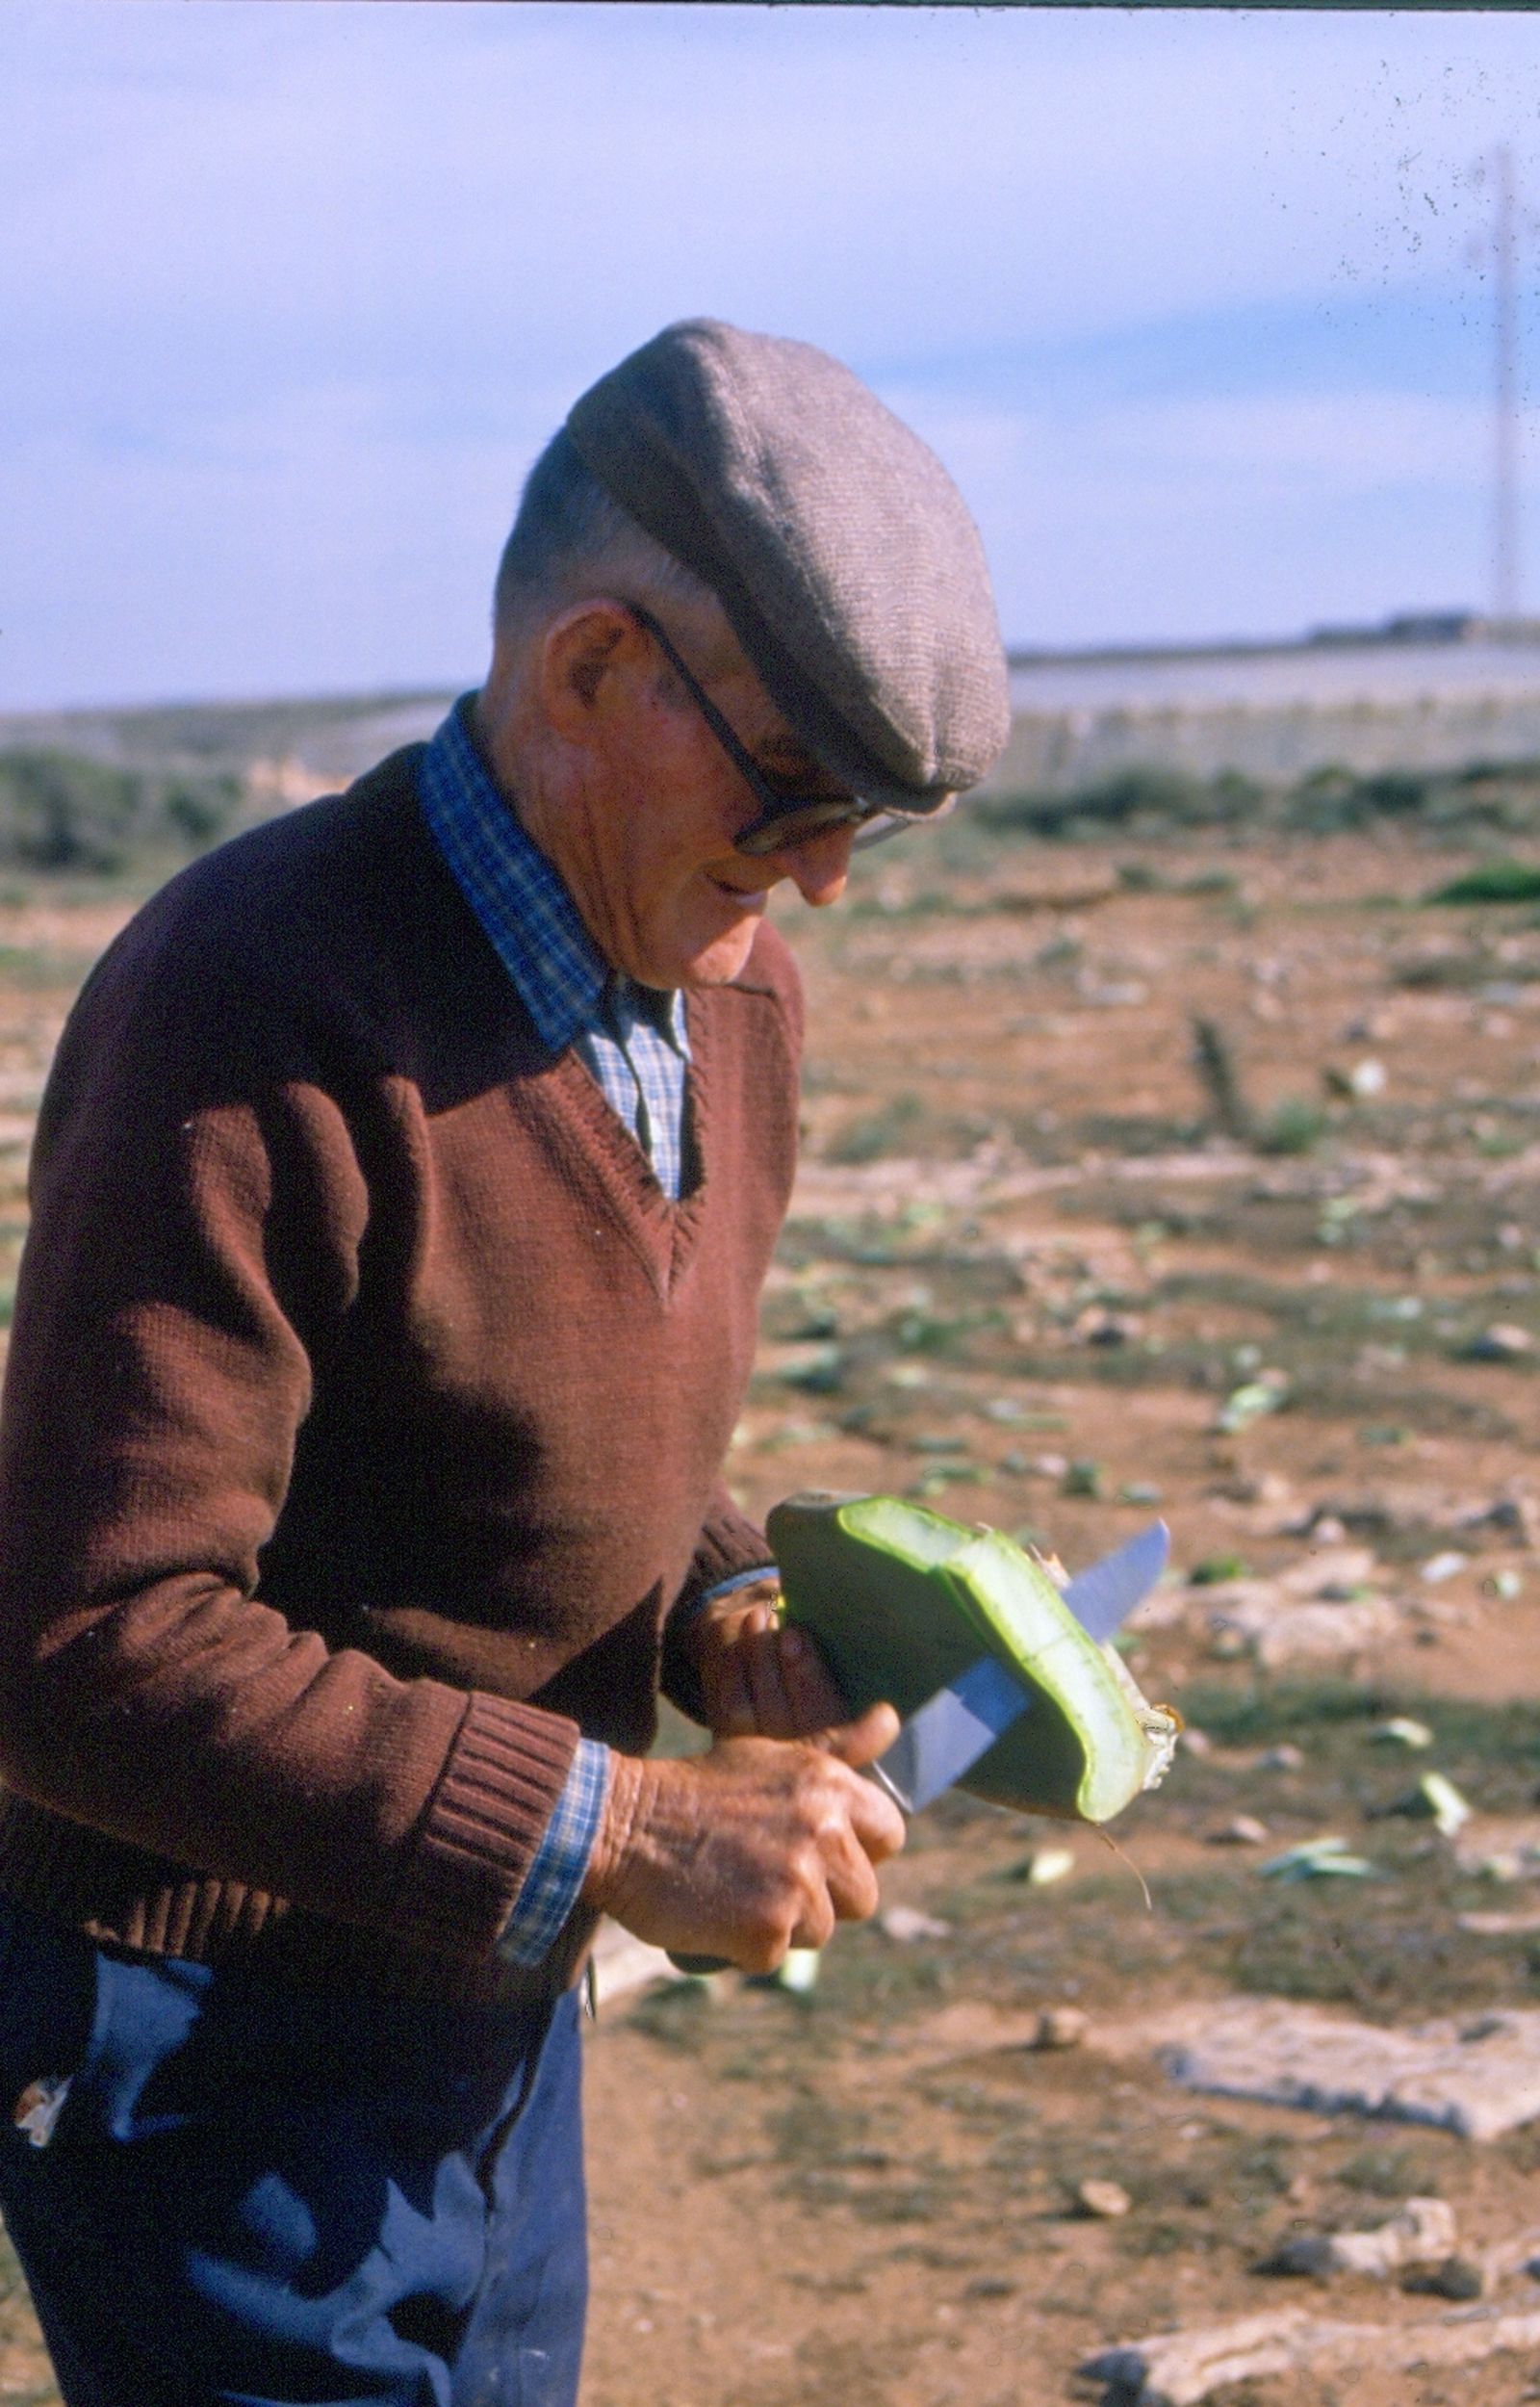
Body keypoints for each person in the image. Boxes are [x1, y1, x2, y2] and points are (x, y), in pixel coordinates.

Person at [0, 319, 1010, 2405]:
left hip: (485, 1996)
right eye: (797, 791)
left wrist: (728, 1599)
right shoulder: (244, 1008)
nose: (819, 872)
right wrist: (630, 1828)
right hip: (200, 2040)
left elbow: (552, 1398)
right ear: (587, 673)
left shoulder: (728, 989)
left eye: (870, 825)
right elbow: (83, 1638)